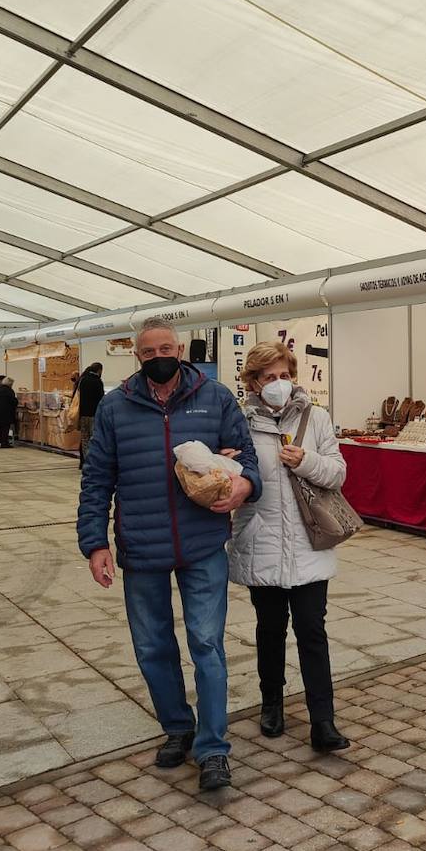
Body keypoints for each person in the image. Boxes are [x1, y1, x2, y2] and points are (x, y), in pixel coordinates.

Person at [78, 318, 261, 789]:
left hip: (202, 543)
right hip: (141, 546)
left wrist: (242, 484)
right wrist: (95, 542)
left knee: (206, 644)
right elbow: (97, 478)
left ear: (180, 349)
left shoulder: (215, 396)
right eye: (148, 351)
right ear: (137, 357)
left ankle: (214, 748)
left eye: (166, 348)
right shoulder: (116, 406)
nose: (158, 356)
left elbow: (249, 459)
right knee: (152, 646)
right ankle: (178, 726)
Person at [228, 342, 350, 753]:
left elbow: (337, 473)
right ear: (254, 383)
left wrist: (306, 461)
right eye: (269, 377)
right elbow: (233, 477)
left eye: (284, 375)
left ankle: (323, 720)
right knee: (270, 630)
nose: (278, 384)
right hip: (261, 541)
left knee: (313, 631)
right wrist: (226, 465)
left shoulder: (317, 417)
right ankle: (272, 704)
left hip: (308, 543)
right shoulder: (240, 423)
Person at [76, 362, 105, 469]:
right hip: (94, 414)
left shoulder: (83, 380)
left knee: (85, 439)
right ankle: (93, 462)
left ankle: (85, 461)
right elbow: (101, 399)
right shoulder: (98, 382)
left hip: (83, 414)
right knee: (94, 438)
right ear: (99, 370)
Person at [0, 376, 17, 448]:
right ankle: (4, 443)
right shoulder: (9, 391)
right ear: (10, 384)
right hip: (6, 413)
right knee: (5, 429)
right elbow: (13, 401)